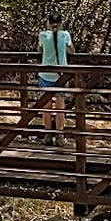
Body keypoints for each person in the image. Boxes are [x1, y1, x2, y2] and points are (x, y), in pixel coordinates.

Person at [37, 13, 73, 146]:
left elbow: (39, 49)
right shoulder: (65, 35)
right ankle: (59, 136)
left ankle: (47, 135)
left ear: (48, 23)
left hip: (45, 74)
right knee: (60, 107)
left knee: (46, 107)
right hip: (61, 76)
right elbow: (72, 51)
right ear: (60, 23)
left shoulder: (42, 35)